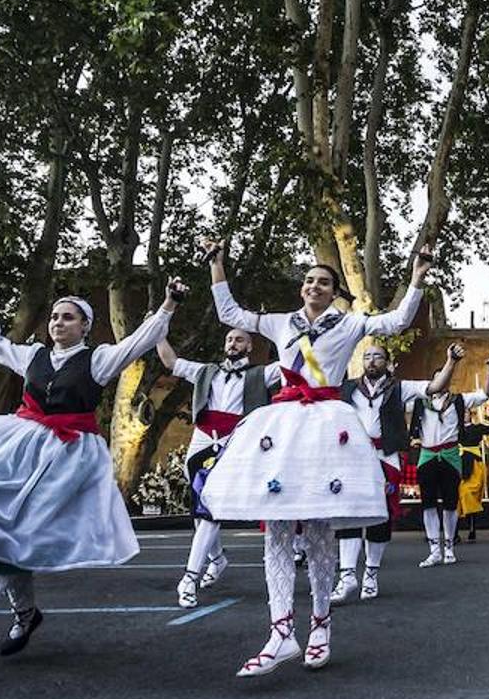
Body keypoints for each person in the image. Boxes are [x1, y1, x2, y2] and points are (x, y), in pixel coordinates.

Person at [200, 241, 431, 675]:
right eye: (309, 280)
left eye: (323, 282)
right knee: (278, 531)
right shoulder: (278, 323)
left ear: (334, 291)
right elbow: (231, 314)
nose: (314, 286)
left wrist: (416, 277)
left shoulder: (349, 325)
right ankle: (281, 631)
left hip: (326, 427)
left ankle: (321, 624)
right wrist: (217, 266)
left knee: (322, 529)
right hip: (284, 426)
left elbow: (398, 321)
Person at [0, 279, 185, 675]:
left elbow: (138, 341)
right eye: (54, 316)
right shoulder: (33, 356)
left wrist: (169, 305)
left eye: (68, 317)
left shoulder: (97, 360)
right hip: (22, 449)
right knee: (11, 538)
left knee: (15, 538)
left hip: (67, 460)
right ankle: (26, 614)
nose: (58, 322)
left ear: (85, 326)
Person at [157, 332, 281, 609]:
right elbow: (170, 360)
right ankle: (217, 558)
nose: (233, 344)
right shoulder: (206, 371)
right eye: (229, 340)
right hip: (201, 441)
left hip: (235, 442)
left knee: (210, 507)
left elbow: (292, 364)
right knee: (200, 507)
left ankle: (189, 578)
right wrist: (157, 329)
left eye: (239, 340)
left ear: (249, 346)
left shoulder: (261, 374)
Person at [330, 344, 452, 604]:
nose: (372, 361)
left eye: (377, 357)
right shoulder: (348, 388)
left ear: (387, 361)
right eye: (367, 356)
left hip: (386, 458)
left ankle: (371, 575)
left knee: (380, 517)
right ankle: (347, 576)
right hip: (352, 458)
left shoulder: (400, 387)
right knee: (349, 513)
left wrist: (451, 361)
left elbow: (434, 387)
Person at [409, 346, 489, 567]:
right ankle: (433, 549)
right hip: (427, 455)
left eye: (445, 377)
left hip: (450, 455)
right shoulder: (419, 401)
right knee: (427, 504)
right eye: (438, 378)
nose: (441, 382)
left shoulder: (459, 400)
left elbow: (485, 395)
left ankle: (449, 548)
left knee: (450, 503)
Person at [456, 393, 489, 543]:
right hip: (457, 464)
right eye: (462, 412)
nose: (464, 415)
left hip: (473, 464)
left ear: (470, 415)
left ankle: (472, 528)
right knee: (455, 498)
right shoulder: (452, 429)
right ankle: (454, 532)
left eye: (466, 412)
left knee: (469, 495)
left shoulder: (477, 428)